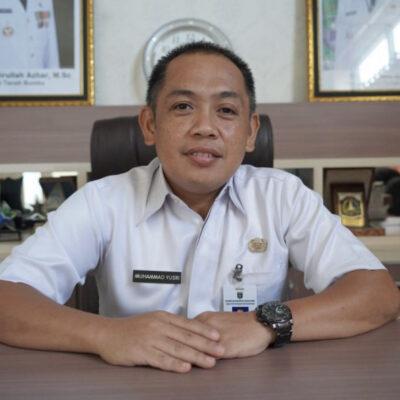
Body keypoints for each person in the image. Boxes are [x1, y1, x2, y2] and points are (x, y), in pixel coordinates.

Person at [0, 42, 399, 374]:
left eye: (226, 111)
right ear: (150, 125)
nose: (205, 127)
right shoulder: (102, 201)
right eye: (183, 107)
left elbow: (378, 294)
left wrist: (265, 324)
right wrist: (107, 334)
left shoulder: (283, 197)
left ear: (251, 133)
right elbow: (7, 298)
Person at [0, 0, 59, 69]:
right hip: (7, 73)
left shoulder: (46, 2)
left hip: (38, 73)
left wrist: (54, 73)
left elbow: (51, 48)